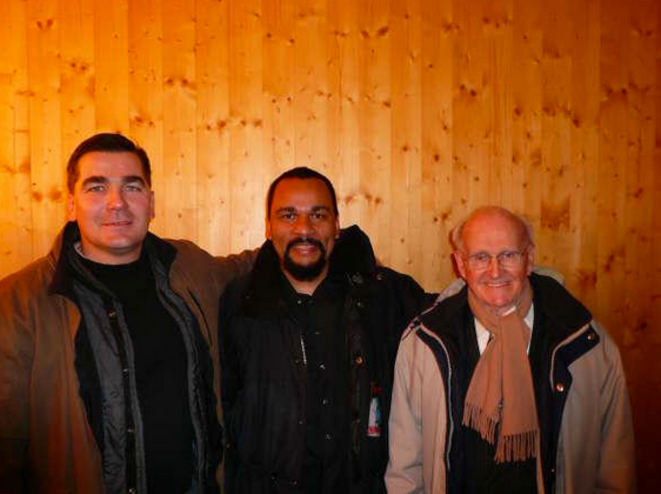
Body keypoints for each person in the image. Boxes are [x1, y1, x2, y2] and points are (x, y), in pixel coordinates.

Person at [0, 133, 251, 493]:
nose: (116, 203)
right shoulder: (17, 304)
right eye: (96, 188)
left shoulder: (190, 268)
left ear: (151, 203)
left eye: (132, 187)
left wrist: (338, 240)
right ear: (71, 205)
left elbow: (250, 265)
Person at [385, 206, 636, 494]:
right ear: (460, 264)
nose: (495, 271)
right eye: (480, 257)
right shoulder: (422, 344)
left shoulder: (587, 344)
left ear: (529, 259)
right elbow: (406, 466)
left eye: (508, 255)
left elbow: (616, 465)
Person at [218, 167, 434, 494]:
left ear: (336, 224)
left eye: (318, 215)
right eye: (288, 215)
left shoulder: (381, 295)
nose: (304, 229)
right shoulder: (239, 302)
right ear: (268, 227)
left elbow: (454, 310)